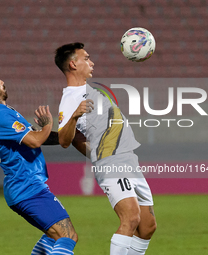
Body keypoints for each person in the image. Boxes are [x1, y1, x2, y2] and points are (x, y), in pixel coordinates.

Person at [55, 43, 156, 255]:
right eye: (87, 58)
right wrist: (73, 116)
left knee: (147, 227)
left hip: (128, 159)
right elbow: (65, 139)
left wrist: (95, 153)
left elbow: (76, 139)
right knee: (130, 218)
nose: (91, 62)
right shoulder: (70, 98)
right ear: (73, 64)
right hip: (112, 162)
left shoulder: (90, 90)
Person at [0, 69, 78, 255]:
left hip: (24, 187)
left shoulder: (1, 112)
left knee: (53, 237)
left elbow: (36, 136)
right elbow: (35, 140)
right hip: (27, 187)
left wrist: (71, 136)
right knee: (68, 236)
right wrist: (48, 123)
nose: (2, 81)